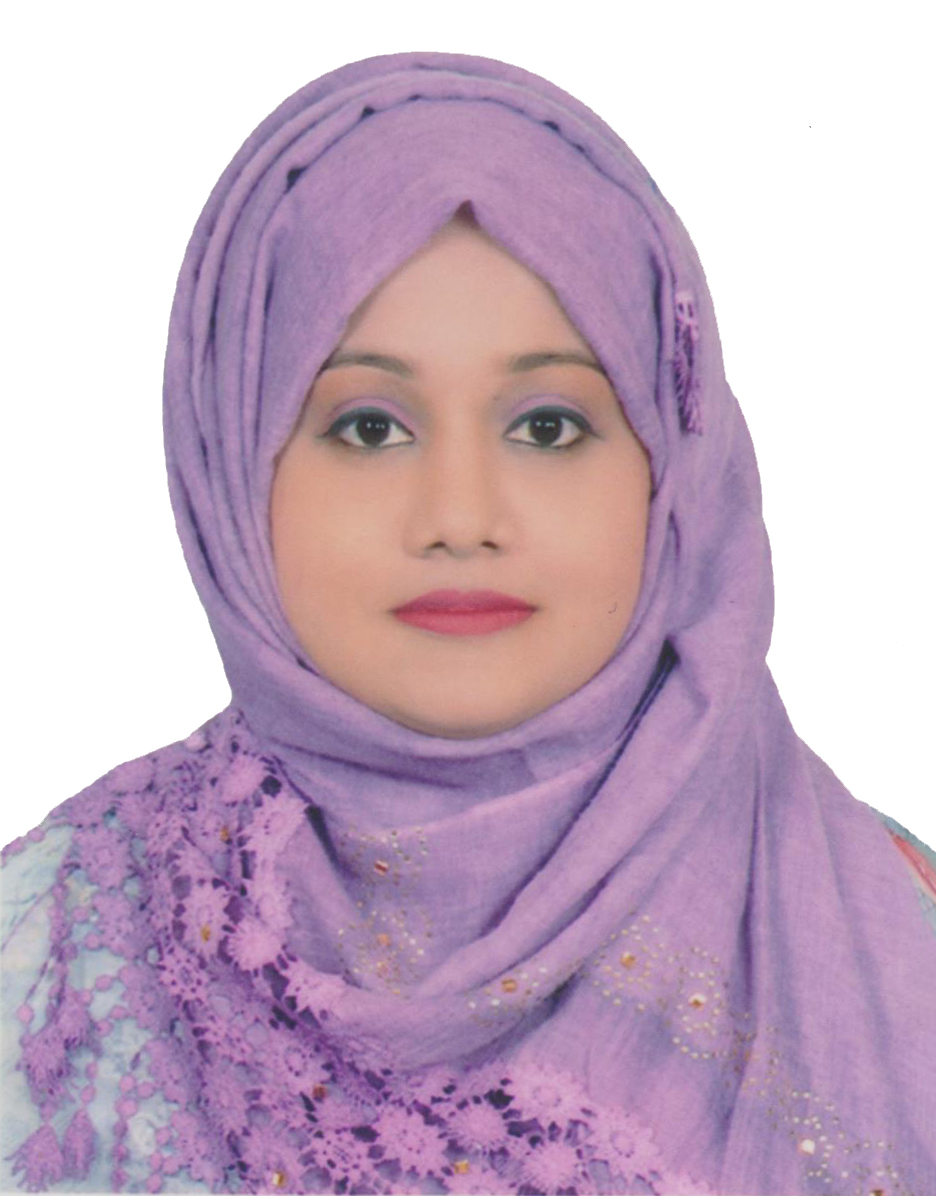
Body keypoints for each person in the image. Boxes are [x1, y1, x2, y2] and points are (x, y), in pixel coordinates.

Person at [1, 50, 934, 1196]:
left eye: (546, 426)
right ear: (234, 466)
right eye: (368, 427)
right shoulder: (54, 952)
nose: (459, 516)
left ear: (673, 469)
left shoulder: (904, 934)